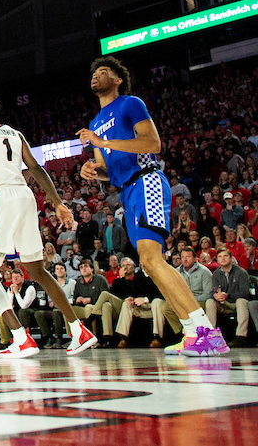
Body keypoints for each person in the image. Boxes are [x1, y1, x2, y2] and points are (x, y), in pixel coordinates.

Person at [78, 55, 228, 356]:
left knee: (152, 258)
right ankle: (192, 332)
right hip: (126, 191)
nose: (96, 75)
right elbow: (108, 169)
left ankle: (206, 333)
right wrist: (93, 170)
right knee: (149, 262)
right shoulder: (95, 123)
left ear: (118, 80)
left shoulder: (130, 103)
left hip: (147, 181)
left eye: (103, 71)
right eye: (93, 72)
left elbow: (152, 144)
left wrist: (102, 142)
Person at [0, 95, 97, 358]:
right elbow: (35, 167)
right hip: (26, 197)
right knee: (37, 270)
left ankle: (20, 338)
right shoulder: (15, 133)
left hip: (2, 196)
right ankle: (78, 329)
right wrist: (56, 201)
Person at [205, 249, 251, 341]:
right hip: (223, 304)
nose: (223, 258)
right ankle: (211, 335)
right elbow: (214, 290)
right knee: (210, 302)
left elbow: (245, 293)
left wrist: (228, 295)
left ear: (230, 258)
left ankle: (241, 336)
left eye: (225, 256)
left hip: (236, 304)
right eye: (220, 257)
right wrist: (216, 295)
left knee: (241, 301)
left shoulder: (241, 273)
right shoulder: (216, 274)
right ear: (217, 260)